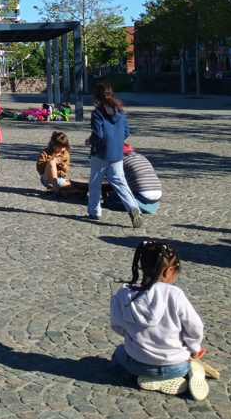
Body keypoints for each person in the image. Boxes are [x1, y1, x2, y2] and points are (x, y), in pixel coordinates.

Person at [110, 240, 209, 400]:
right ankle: (185, 373)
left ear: (141, 266)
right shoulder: (174, 294)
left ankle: (136, 377)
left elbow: (117, 325)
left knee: (119, 354)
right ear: (169, 271)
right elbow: (194, 326)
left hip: (139, 365)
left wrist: (133, 335)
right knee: (183, 362)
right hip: (176, 367)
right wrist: (193, 347)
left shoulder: (124, 294)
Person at [85, 82, 142, 229]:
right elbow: (126, 132)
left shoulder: (97, 113)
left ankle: (94, 211)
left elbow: (98, 134)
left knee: (95, 183)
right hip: (117, 153)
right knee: (120, 182)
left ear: (97, 96)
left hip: (100, 153)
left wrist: (88, 142)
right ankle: (133, 207)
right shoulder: (120, 112)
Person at [116, 145, 163, 213]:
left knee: (110, 201)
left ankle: (134, 205)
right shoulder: (142, 157)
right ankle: (146, 205)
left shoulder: (121, 160)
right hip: (158, 193)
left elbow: (116, 178)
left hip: (142, 193)